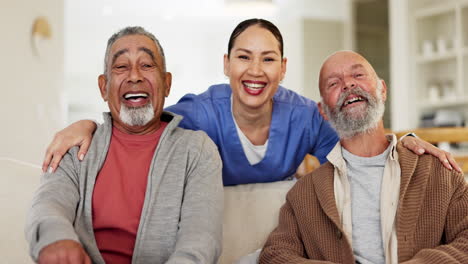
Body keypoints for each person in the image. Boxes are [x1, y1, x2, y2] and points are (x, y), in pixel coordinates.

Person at [41, 19, 460, 186]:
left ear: (282, 68)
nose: (255, 71)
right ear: (226, 64)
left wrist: (405, 140)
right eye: (243, 57)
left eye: (267, 59)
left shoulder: (302, 116)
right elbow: (140, 122)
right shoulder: (202, 111)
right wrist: (90, 125)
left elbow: (361, 143)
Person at [25, 26, 223, 264]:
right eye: (121, 67)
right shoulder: (75, 146)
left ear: (167, 83)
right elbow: (49, 204)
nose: (134, 76)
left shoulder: (198, 150)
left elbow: (200, 238)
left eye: (147, 65)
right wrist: (56, 239)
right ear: (103, 87)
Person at [259, 51, 468, 264]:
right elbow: (274, 255)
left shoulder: (440, 170)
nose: (348, 84)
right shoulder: (304, 194)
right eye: (333, 83)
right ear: (323, 111)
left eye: (358, 75)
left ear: (382, 90)